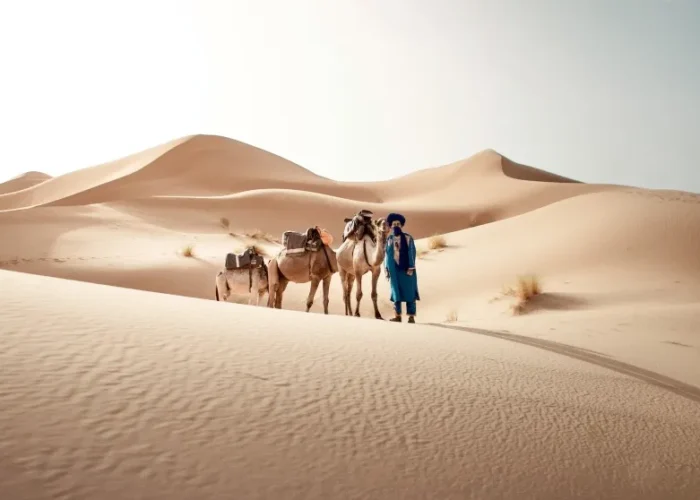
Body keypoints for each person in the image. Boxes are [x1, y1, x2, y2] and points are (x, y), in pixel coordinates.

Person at [384, 212, 420, 323]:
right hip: (394, 270)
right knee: (396, 292)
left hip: (407, 269)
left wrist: (411, 267)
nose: (396, 226)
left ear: (401, 225)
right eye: (394, 224)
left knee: (409, 292)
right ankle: (397, 315)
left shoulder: (409, 238)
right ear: (390, 226)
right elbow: (386, 254)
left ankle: (411, 317)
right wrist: (386, 269)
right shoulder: (389, 239)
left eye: (398, 224)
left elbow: (412, 252)